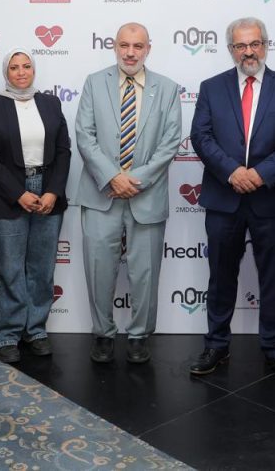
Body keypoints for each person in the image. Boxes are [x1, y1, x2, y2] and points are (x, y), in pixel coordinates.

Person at [188, 17, 275, 384]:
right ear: (231, 50)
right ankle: (216, 345)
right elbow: (201, 136)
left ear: (266, 45)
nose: (248, 52)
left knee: (274, 279)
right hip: (223, 198)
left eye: (255, 44)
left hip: (272, 199)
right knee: (220, 277)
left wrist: (260, 173)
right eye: (240, 46)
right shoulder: (211, 88)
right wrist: (232, 172)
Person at [75, 23, 182, 364]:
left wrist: (134, 180)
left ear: (148, 48)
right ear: (114, 46)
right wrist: (112, 177)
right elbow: (85, 135)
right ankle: (103, 333)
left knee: (146, 272)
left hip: (145, 195)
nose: (130, 52)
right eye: (124, 45)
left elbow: (170, 143)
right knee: (98, 268)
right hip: (101, 194)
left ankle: (138, 335)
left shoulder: (167, 88)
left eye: (138, 46)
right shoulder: (94, 82)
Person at [0, 49, 71, 364]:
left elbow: (63, 151)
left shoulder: (50, 103)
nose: (21, 72)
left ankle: (36, 330)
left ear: (34, 70)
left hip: (47, 193)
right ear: (6, 72)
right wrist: (18, 193)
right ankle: (5, 335)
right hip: (7, 195)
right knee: (9, 268)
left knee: (42, 268)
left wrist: (53, 191)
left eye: (26, 66)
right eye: (14, 67)